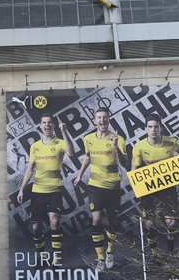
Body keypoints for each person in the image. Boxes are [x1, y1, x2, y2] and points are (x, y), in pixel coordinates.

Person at [72, 107, 128, 271]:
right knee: (96, 220)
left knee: (112, 220)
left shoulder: (118, 138)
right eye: (99, 118)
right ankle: (100, 259)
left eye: (105, 117)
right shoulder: (88, 138)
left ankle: (110, 252)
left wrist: (116, 147)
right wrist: (80, 174)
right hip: (95, 185)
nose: (102, 120)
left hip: (113, 186)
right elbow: (88, 156)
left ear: (109, 119)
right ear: (94, 120)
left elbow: (124, 162)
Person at [16, 114, 75, 260]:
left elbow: (72, 153)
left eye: (50, 123)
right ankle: (41, 255)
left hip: (54, 190)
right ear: (40, 126)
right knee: (36, 228)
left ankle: (57, 256)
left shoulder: (60, 142)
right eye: (44, 123)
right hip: (38, 191)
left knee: (54, 221)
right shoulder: (35, 146)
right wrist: (22, 189)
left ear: (53, 125)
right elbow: (30, 169)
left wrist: (65, 131)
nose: (47, 125)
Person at [131, 114, 179, 253]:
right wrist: (137, 187)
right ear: (146, 129)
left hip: (167, 186)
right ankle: (155, 254)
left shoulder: (173, 142)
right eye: (150, 127)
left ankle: (170, 249)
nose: (153, 129)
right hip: (150, 187)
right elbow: (134, 169)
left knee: (171, 222)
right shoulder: (139, 146)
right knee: (149, 223)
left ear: (161, 128)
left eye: (156, 126)